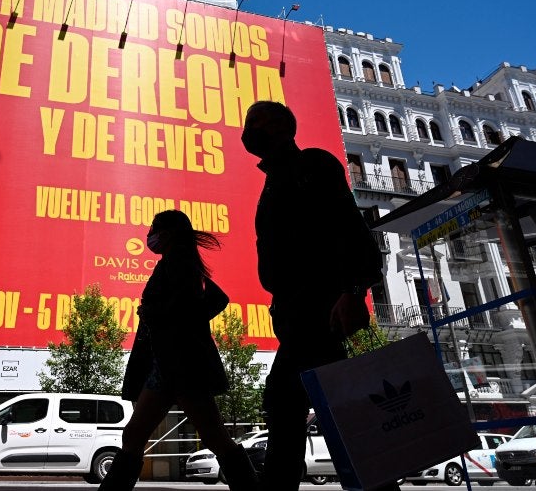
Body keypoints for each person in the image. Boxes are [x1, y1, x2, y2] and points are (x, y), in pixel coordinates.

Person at [241, 100, 389, 491]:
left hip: (318, 309)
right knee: (332, 409)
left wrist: (355, 291)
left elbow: (351, 229)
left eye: (258, 123)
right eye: (247, 124)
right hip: (293, 313)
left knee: (286, 404)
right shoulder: (272, 182)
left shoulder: (313, 166)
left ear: (284, 129)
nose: (249, 130)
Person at [99, 210, 258, 491]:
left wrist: (156, 314)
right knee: (143, 435)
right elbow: (214, 299)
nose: (150, 234)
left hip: (178, 365)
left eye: (154, 228)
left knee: (204, 436)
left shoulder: (177, 263)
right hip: (173, 365)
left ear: (170, 232)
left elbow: (193, 305)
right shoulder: (181, 262)